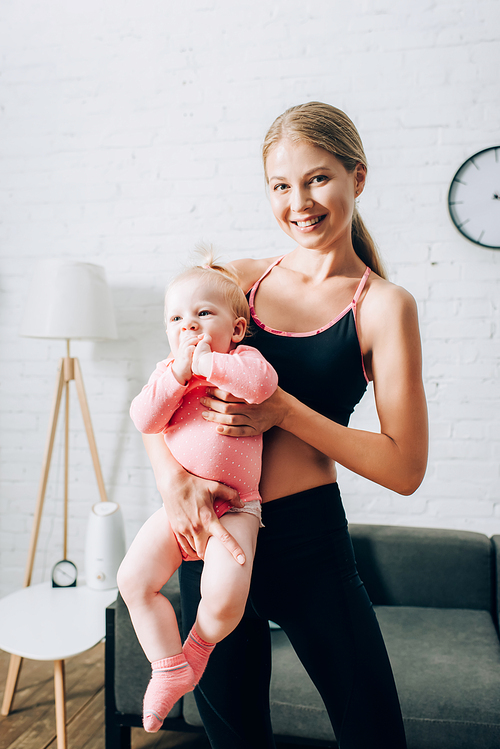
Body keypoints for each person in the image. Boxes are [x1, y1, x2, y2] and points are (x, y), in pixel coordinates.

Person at [141, 102, 428, 748]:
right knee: (234, 740)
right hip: (212, 534)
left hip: (310, 544)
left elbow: (405, 466)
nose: (299, 202)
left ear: (358, 176)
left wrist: (285, 412)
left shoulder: (383, 306)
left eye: (318, 178)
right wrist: (173, 485)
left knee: (375, 734)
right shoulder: (239, 280)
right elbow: (161, 396)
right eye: (280, 185)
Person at [117, 252, 278, 732]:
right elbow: (144, 418)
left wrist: (212, 362)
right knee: (133, 580)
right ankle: (167, 667)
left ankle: (197, 650)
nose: (189, 326)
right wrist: (180, 373)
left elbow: (261, 387)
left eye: (203, 314)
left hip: (237, 509)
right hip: (178, 509)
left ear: (238, 328)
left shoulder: (243, 360)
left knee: (225, 593)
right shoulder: (168, 372)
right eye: (176, 318)